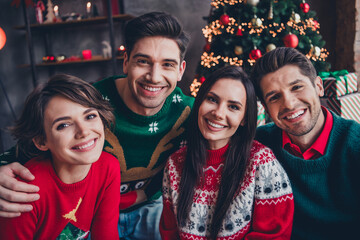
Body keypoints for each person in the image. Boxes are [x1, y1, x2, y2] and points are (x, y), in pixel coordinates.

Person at [0, 12, 193, 240]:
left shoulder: (190, 112)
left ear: (180, 70)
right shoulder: (88, 102)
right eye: (143, 61)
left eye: (167, 65)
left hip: (150, 208)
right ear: (126, 62)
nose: (154, 76)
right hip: (87, 211)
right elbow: (28, 144)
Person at [160, 65, 294, 240]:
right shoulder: (175, 164)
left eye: (233, 107)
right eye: (212, 99)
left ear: (245, 118)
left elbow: (273, 236)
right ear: (199, 102)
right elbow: (169, 234)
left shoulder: (262, 163)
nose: (218, 113)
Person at [251, 47, 360, 240]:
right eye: (274, 97)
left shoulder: (355, 144)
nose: (289, 104)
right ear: (266, 108)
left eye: (297, 87)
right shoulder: (258, 146)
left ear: (319, 86)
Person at [0, 74, 121, 239]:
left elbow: (106, 236)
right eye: (63, 125)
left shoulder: (109, 167)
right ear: (42, 141)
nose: (84, 131)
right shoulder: (24, 190)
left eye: (90, 116)